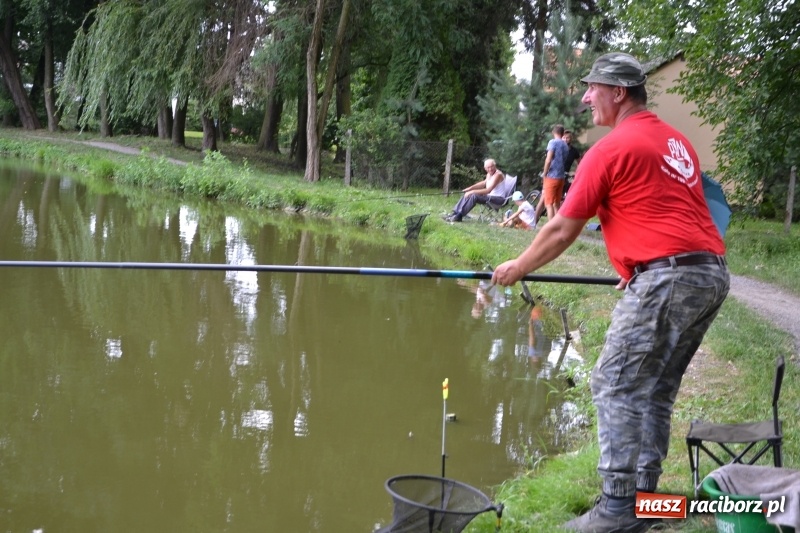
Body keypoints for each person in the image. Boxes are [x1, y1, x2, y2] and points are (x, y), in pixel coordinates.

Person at [491, 52, 730, 533]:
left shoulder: (612, 147)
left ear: (618, 92)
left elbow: (562, 229)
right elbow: (664, 210)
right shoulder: (675, 141)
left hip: (669, 276)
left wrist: (518, 265)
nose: (584, 97)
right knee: (655, 388)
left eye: (592, 88)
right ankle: (644, 503)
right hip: (709, 272)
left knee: (614, 382)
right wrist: (638, 266)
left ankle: (618, 510)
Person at [541, 124, 570, 221]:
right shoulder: (565, 145)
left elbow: (548, 160)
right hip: (561, 177)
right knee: (556, 204)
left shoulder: (552, 142)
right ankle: (558, 225)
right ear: (562, 133)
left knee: (548, 204)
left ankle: (551, 227)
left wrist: (544, 173)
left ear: (553, 132)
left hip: (552, 176)